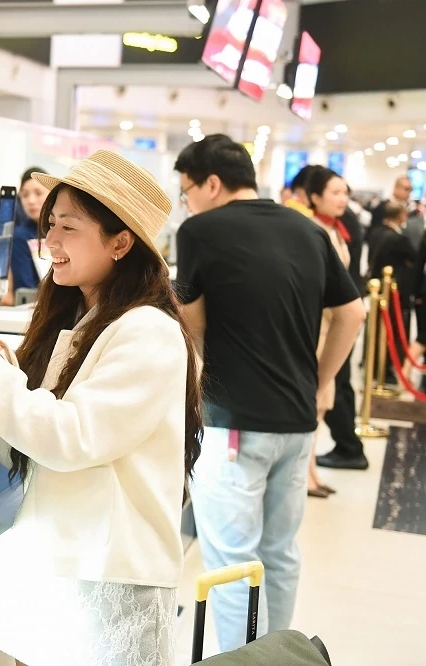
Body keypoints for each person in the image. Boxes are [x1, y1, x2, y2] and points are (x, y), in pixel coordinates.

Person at [0, 151, 203, 665]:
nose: (49, 241)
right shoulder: (94, 320)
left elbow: (66, 439)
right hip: (70, 572)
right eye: (50, 224)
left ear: (121, 243)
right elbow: (35, 436)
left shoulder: (148, 332)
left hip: (109, 584)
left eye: (69, 228)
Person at [174, 134, 365, 652]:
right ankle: (280, 658)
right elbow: (353, 312)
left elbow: (190, 324)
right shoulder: (309, 230)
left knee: (233, 561)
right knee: (279, 554)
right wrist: (323, 382)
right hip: (297, 423)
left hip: (231, 420)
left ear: (211, 183)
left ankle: (244, 664)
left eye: (186, 188)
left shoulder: (198, 232)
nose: (185, 200)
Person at [305, 167, 369, 475]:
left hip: (335, 323)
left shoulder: (337, 229)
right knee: (318, 393)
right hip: (319, 323)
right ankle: (307, 470)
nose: (342, 199)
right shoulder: (310, 228)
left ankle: (310, 468)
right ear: (315, 197)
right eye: (335, 192)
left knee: (325, 395)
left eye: (345, 192)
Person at [369, 201, 416, 389]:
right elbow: (413, 258)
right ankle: (385, 369)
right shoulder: (399, 239)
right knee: (392, 331)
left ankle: (374, 365)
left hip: (378, 288)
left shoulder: (375, 233)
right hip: (393, 293)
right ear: (400, 216)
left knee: (377, 329)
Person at [0, 167, 51, 306]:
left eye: (38, 193)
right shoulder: (20, 237)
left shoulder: (61, 233)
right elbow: (26, 291)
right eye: (25, 195)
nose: (31, 201)